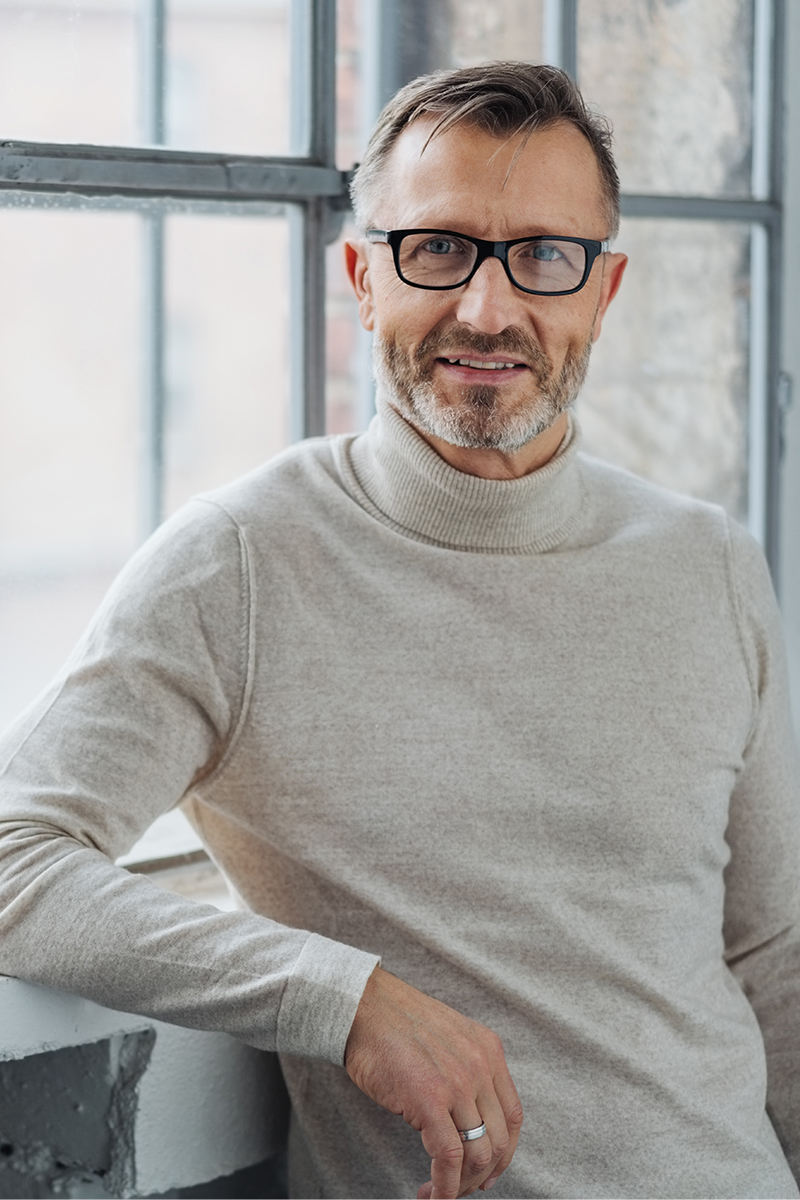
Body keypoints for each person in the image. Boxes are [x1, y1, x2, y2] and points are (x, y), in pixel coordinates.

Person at [1, 61, 799, 1200]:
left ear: (603, 291)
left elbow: (772, 954)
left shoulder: (706, 562)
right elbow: (13, 859)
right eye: (436, 249)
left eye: (543, 255)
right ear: (359, 279)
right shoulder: (239, 562)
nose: (487, 308)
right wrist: (342, 998)